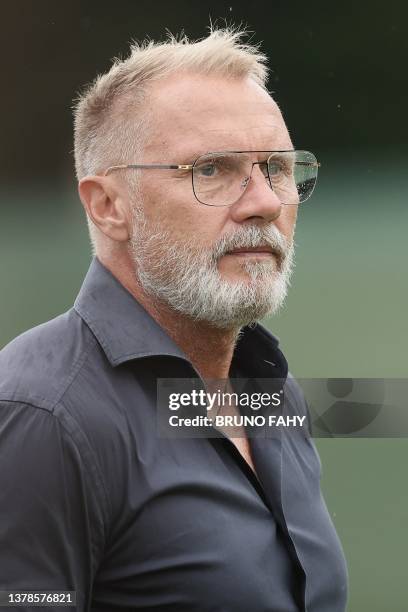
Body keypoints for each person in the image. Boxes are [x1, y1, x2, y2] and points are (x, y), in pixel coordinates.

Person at [0, 28, 348, 611]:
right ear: (108, 206)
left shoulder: (271, 391)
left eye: (278, 168)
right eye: (211, 169)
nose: (264, 201)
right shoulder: (41, 416)